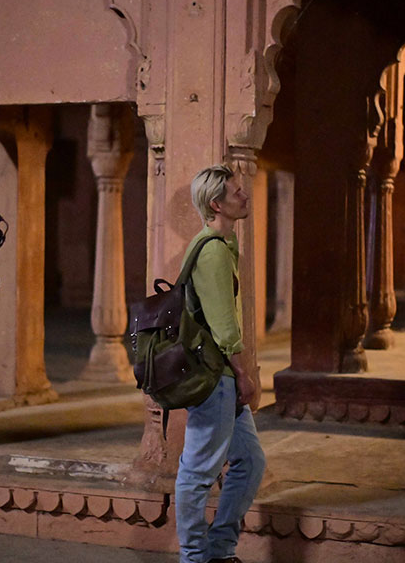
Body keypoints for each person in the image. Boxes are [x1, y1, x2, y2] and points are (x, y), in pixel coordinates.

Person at [175, 165, 266, 563]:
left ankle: (220, 550)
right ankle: (195, 557)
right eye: (235, 192)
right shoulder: (211, 250)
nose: (244, 196)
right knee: (198, 472)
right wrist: (243, 373)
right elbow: (223, 324)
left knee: (250, 461)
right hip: (215, 377)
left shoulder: (222, 245)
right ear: (216, 204)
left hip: (221, 376)